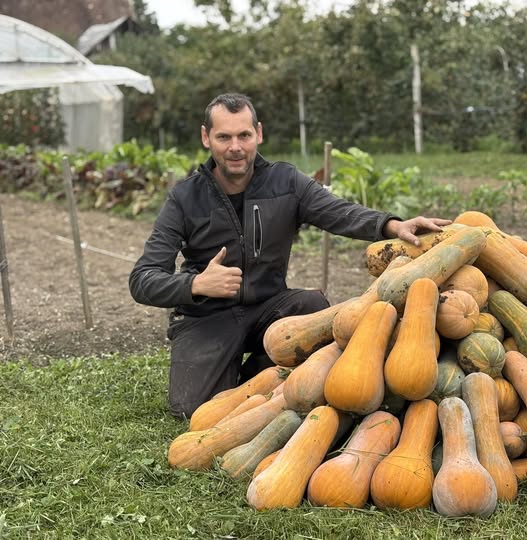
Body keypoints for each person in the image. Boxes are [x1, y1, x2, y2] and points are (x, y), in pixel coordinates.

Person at [129, 92, 451, 419]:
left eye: (244, 135)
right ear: (206, 137)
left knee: (311, 306)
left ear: (259, 133)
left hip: (268, 309)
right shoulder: (185, 197)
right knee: (191, 409)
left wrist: (392, 225)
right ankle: (237, 374)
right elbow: (143, 279)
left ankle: (259, 374)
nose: (235, 147)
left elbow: (339, 212)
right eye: (224, 137)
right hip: (206, 318)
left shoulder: (285, 182)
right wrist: (197, 284)